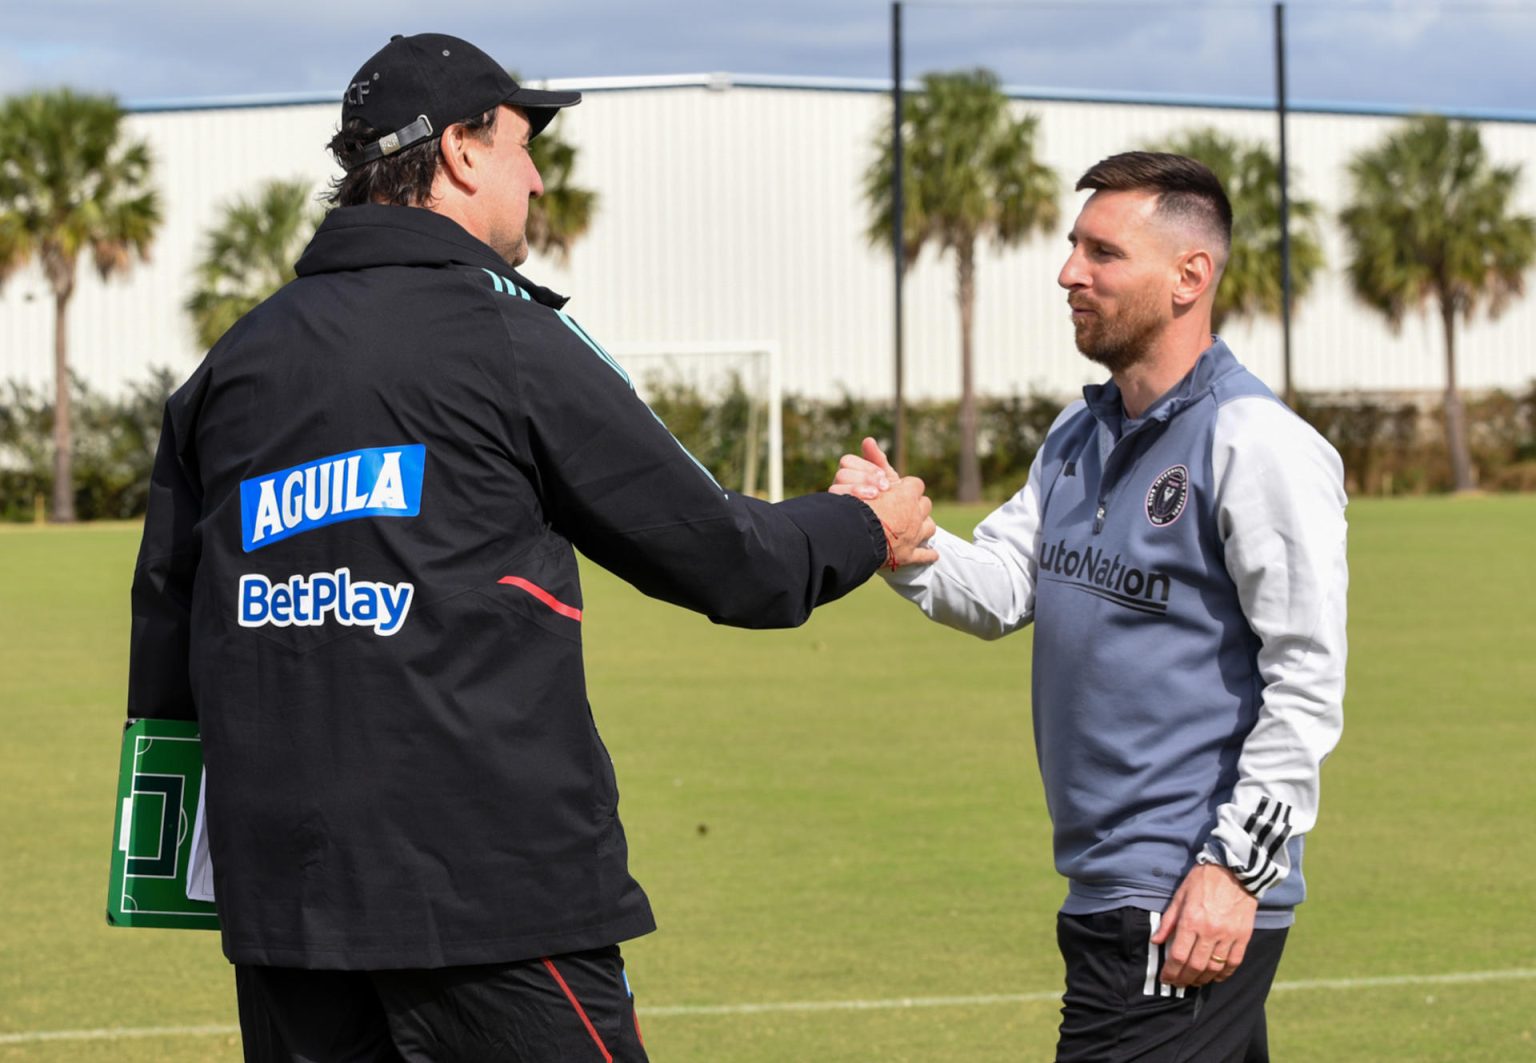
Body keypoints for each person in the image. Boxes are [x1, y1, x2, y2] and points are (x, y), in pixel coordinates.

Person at [127, 32, 936, 1063]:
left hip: (286, 910)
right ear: (461, 153)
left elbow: (168, 624)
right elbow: (729, 558)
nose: (538, 178)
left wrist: (175, 864)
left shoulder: (232, 362)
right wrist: (871, 524)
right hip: (493, 901)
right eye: (521, 143)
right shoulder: (506, 334)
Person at [834, 152, 1347, 1061]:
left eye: (1103, 252)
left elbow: (1305, 678)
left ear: (1191, 276)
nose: (1070, 271)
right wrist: (897, 534)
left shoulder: (1257, 442)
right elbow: (1000, 588)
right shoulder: (1078, 434)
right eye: (1075, 247)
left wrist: (1234, 871)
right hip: (1109, 887)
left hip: (1179, 901)